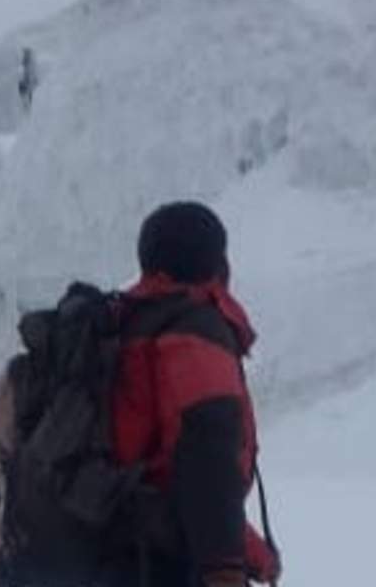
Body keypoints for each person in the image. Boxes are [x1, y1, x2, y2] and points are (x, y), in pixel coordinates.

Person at [107, 201, 281, 587]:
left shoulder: (123, 329)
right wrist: (226, 572)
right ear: (218, 265)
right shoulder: (194, 331)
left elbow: (167, 482)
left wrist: (250, 551)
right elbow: (206, 460)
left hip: (103, 555)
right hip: (158, 568)